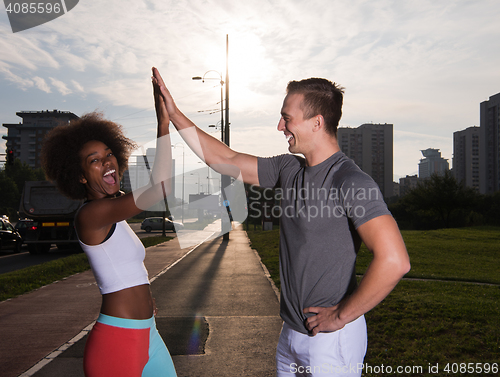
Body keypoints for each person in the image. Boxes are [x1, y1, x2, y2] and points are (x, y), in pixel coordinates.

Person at [153, 69, 410, 377]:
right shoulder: (289, 168)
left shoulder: (350, 180)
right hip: (290, 335)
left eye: (287, 118)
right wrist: (175, 114)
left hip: (330, 342)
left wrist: (341, 316)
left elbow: (394, 260)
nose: (280, 126)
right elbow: (226, 159)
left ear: (317, 122)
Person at [40, 68, 177, 377]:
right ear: (79, 176)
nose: (107, 162)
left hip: (148, 334)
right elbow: (159, 188)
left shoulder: (112, 209)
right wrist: (163, 123)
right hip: (117, 342)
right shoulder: (91, 215)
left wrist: (144, 297)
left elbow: (124, 270)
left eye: (108, 154)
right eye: (94, 160)